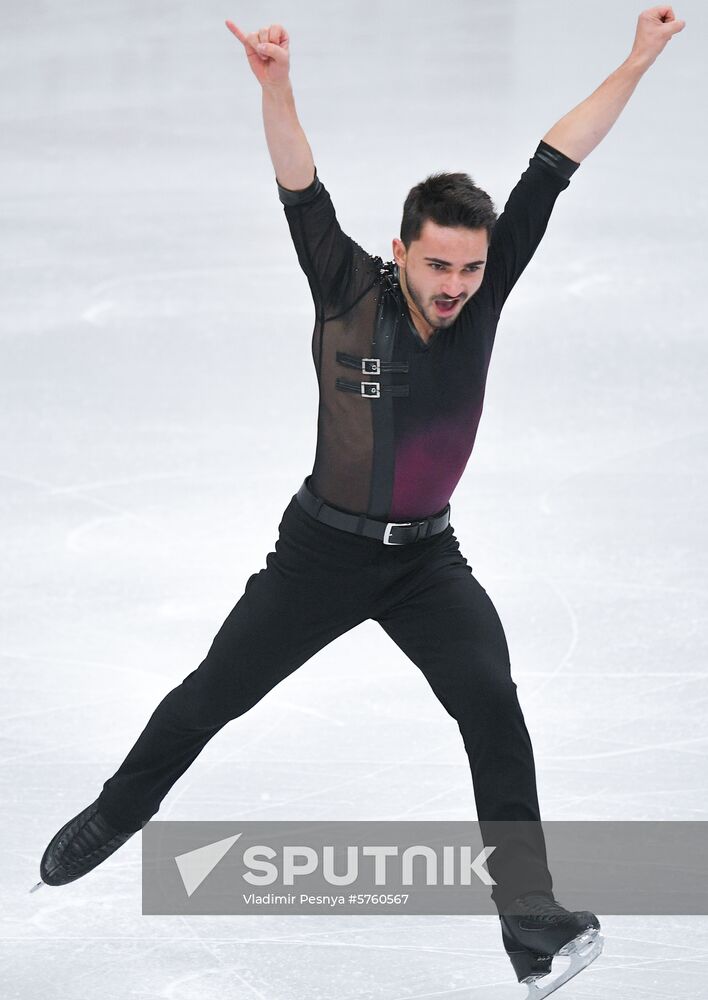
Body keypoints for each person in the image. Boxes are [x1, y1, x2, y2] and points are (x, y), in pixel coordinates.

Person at [33, 7, 685, 996]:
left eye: (471, 266)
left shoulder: (489, 284)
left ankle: (531, 927)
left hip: (428, 560)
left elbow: (557, 157)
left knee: (494, 710)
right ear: (400, 249)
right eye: (439, 265)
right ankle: (114, 813)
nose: (458, 284)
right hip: (322, 555)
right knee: (215, 692)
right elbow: (300, 180)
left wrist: (636, 59)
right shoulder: (345, 286)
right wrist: (277, 88)